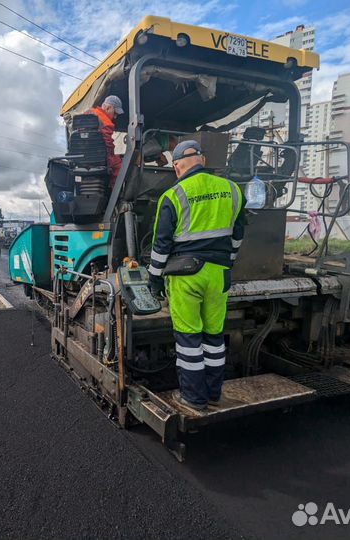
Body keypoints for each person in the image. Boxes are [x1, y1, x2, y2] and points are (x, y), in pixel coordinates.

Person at [148, 140, 246, 411]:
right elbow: (238, 234)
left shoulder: (173, 196)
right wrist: (229, 261)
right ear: (202, 161)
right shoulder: (233, 190)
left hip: (185, 277)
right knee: (214, 336)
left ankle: (193, 398)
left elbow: (161, 247)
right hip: (219, 275)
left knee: (189, 338)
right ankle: (214, 393)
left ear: (178, 166)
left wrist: (154, 281)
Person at [89, 95, 124, 183]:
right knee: (119, 165)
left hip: (83, 156)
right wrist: (116, 156)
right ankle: (115, 194)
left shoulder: (88, 112)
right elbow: (107, 145)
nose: (115, 117)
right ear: (108, 108)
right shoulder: (106, 122)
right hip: (99, 156)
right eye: (115, 113)